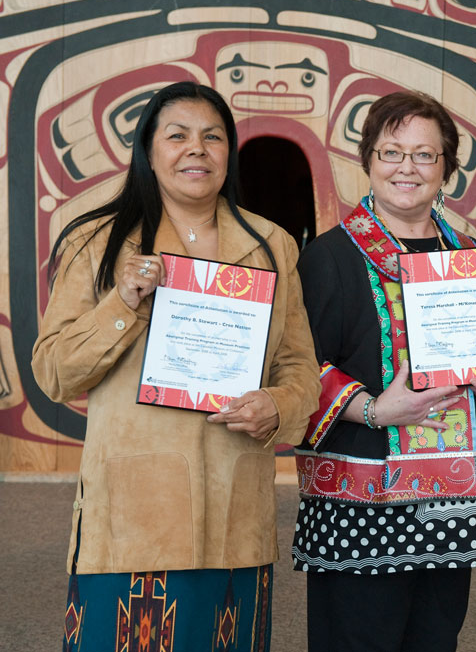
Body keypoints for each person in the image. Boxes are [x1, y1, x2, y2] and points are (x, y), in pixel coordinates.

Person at [32, 82, 320, 651]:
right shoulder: (99, 241)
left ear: (229, 153)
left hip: (236, 516)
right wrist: (122, 303)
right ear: (148, 149)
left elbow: (300, 370)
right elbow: (54, 370)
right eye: (178, 135)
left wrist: (277, 406)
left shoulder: (271, 245)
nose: (197, 149)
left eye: (213, 137)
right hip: (135, 515)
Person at [292, 90, 476, 652]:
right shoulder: (329, 257)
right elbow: (297, 364)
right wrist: (374, 408)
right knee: (358, 638)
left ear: (447, 167)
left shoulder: (471, 256)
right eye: (391, 152)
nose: (407, 167)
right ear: (368, 160)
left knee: (434, 637)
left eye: (425, 155)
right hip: (361, 497)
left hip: (454, 498)